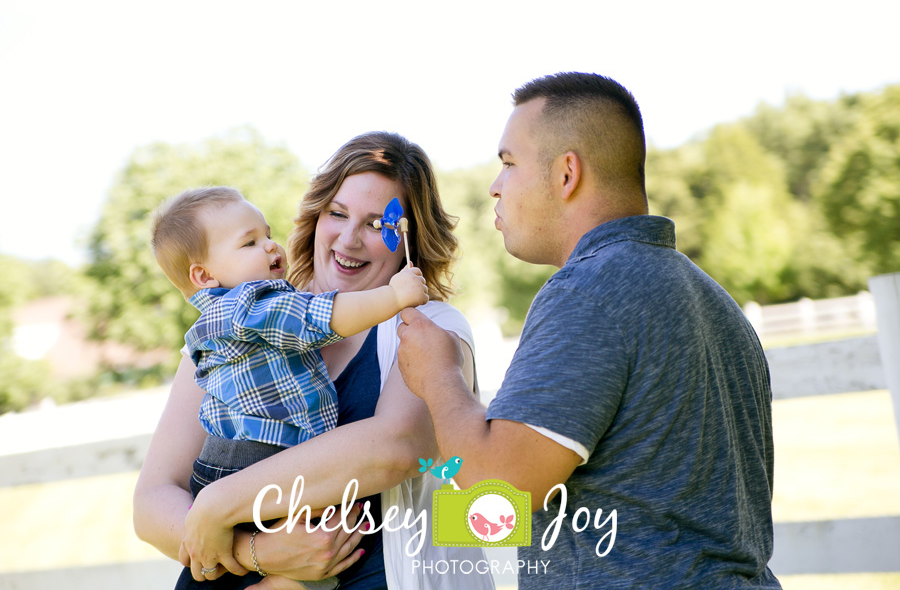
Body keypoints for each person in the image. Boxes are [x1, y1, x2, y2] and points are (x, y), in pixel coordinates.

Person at [396, 72, 782, 589]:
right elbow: (608, 509)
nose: (494, 185)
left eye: (509, 163)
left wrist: (439, 376)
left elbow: (500, 488)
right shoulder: (712, 298)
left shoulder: (591, 290)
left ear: (566, 174)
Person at [133, 132, 496, 590]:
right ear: (316, 215)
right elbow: (152, 501)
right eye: (337, 214)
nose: (349, 239)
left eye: (375, 225)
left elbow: (398, 448)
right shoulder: (233, 328)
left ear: (409, 237)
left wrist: (217, 505)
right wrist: (258, 553)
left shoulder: (432, 327)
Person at [149, 186, 429, 589]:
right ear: (205, 276)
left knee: (310, 543)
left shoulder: (234, 316)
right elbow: (323, 318)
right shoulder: (249, 305)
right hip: (249, 458)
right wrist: (394, 295)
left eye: (266, 234)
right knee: (320, 536)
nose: (269, 246)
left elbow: (396, 445)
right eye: (249, 243)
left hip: (250, 462)